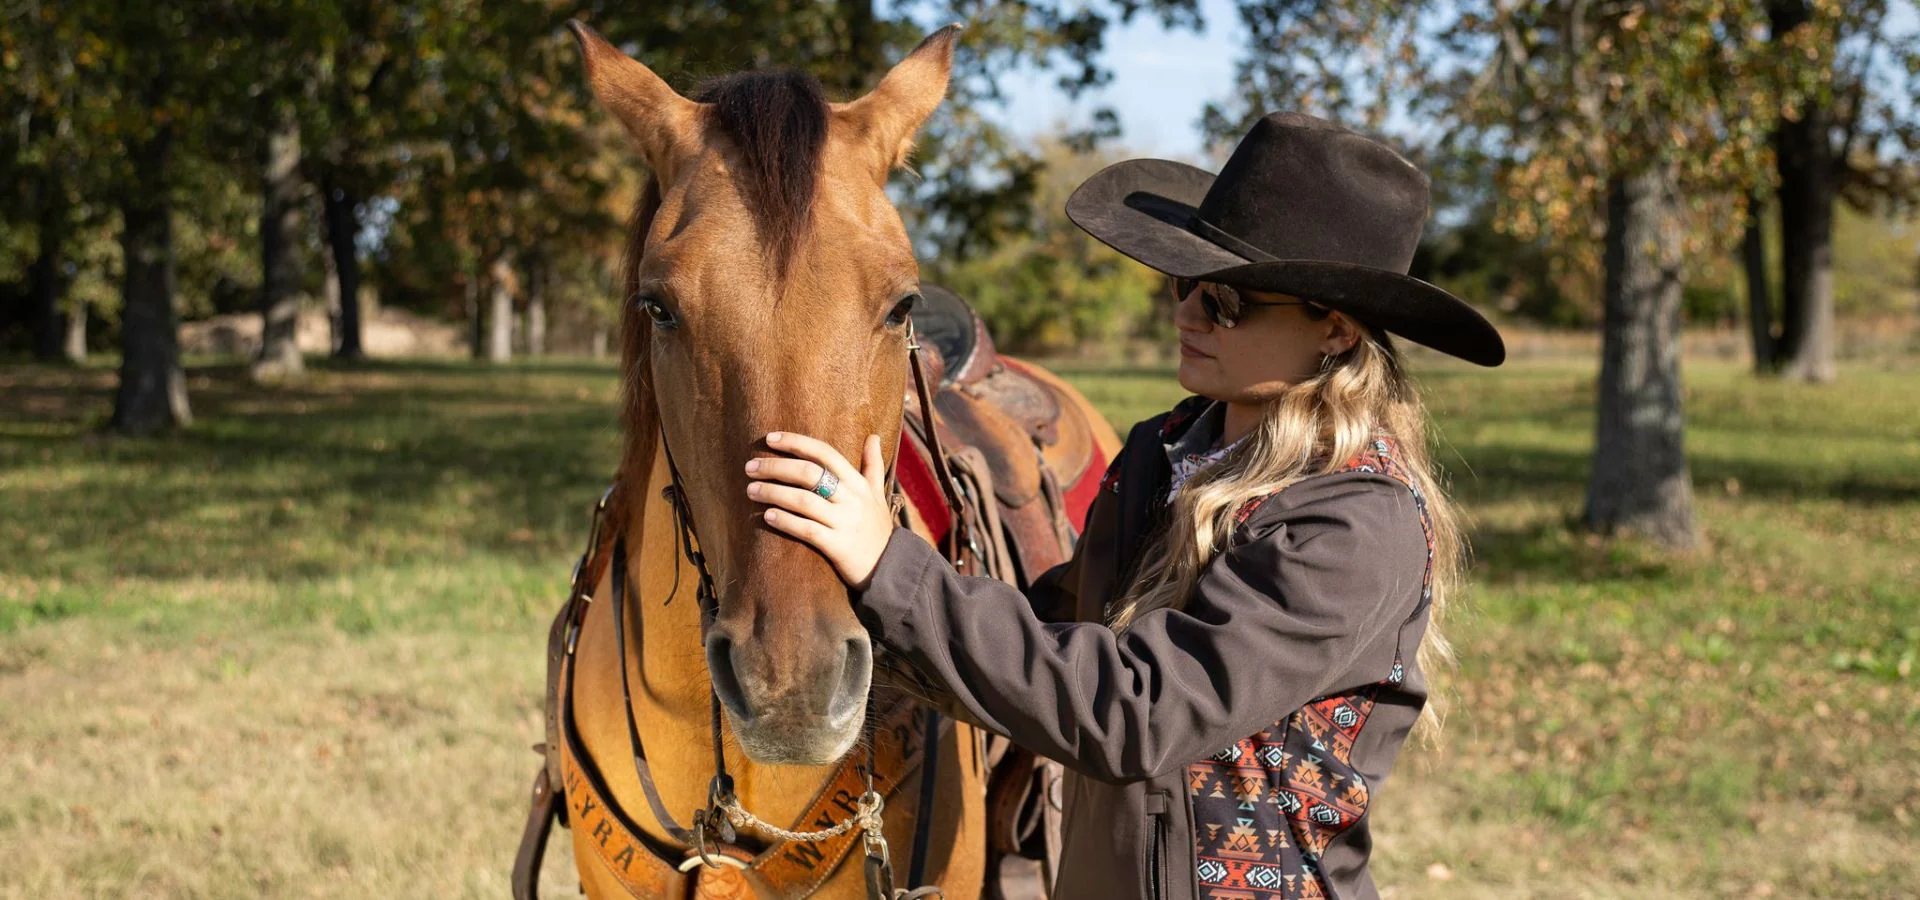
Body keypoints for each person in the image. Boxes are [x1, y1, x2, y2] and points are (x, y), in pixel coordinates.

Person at [742, 111, 1505, 900]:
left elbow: (1140, 711)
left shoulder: (1353, 524)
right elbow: (1058, 630)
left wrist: (889, 567)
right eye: (1183, 284)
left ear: (1336, 330)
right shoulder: (1165, 450)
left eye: (1227, 301)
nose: (1186, 315)